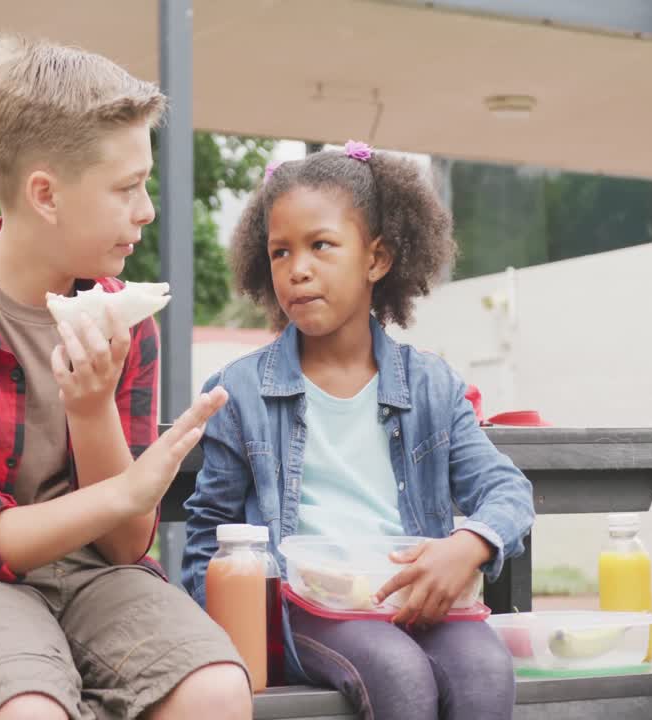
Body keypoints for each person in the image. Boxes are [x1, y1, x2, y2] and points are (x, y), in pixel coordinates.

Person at [0, 34, 250, 720]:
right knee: (29, 709)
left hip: (97, 578)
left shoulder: (127, 322)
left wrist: (92, 413)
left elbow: (124, 544)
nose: (146, 208)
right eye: (126, 188)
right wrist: (126, 494)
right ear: (46, 195)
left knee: (216, 689)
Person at [181, 141, 535, 720]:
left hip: (414, 598)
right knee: (400, 675)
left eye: (321, 245)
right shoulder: (240, 391)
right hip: (308, 609)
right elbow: (210, 533)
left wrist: (466, 548)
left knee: (486, 671)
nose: (297, 269)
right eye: (280, 252)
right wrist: (225, 643)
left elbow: (507, 491)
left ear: (377, 259)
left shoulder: (430, 385)